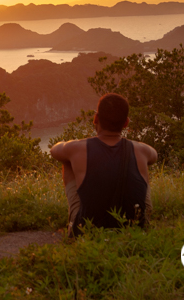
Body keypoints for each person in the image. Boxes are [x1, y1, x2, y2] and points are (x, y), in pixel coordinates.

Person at [49, 93, 157, 235]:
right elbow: (154, 156)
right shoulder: (141, 150)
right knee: (141, 165)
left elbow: (54, 150)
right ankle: (144, 221)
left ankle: (74, 226)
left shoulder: (77, 148)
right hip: (135, 229)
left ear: (96, 118)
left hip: (89, 231)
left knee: (67, 161)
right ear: (126, 123)